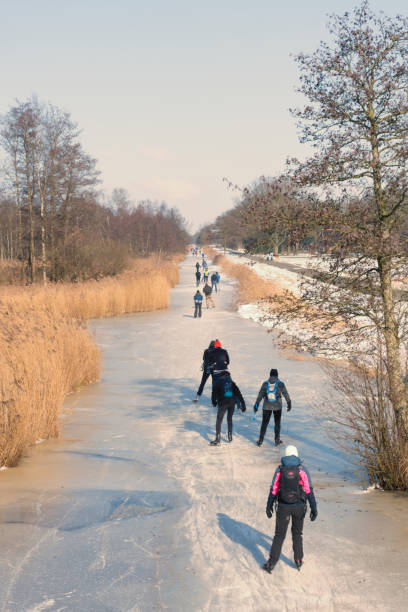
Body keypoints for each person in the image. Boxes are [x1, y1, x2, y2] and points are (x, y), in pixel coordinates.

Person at [263, 445, 317, 573]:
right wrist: (314, 507)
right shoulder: (302, 470)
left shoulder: (280, 470)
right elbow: (309, 490)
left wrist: (269, 506)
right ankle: (298, 559)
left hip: (283, 507)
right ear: (296, 455)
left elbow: (274, 489)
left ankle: (271, 563)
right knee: (297, 534)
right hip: (299, 507)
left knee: (279, 535)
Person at [253, 368, 291, 447]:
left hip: (266, 406)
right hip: (277, 406)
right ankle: (277, 440)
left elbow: (260, 395)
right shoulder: (280, 384)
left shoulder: (265, 384)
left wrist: (256, 404)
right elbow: (285, 393)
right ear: (277, 375)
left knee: (264, 423)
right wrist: (289, 402)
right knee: (277, 423)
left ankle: (260, 440)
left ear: (270, 375)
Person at [210, 371, 246, 445]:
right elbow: (238, 393)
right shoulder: (232, 383)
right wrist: (243, 404)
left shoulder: (219, 382)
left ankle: (218, 438)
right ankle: (230, 435)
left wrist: (214, 401)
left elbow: (214, 392)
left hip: (223, 403)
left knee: (219, 420)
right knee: (229, 419)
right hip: (232, 403)